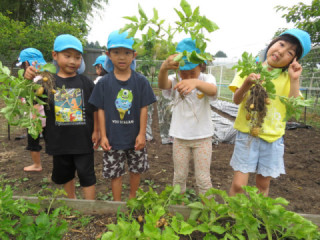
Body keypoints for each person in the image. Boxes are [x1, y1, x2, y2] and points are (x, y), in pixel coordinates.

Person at [228, 29, 312, 196]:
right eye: (281, 44)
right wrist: (247, 83)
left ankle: (257, 217)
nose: (281, 51)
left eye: (289, 52)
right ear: (273, 43)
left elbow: (293, 110)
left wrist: (295, 79)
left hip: (273, 139)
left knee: (263, 184)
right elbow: (237, 100)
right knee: (238, 185)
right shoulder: (250, 68)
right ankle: (233, 216)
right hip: (247, 135)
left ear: (293, 60)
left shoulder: (289, 77)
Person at [24, 34, 100, 200]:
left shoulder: (86, 83)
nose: (73, 61)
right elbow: (29, 98)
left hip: (83, 141)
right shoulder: (46, 82)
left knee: (87, 176)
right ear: (54, 55)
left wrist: (96, 130)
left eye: (77, 57)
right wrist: (28, 79)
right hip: (59, 141)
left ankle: (90, 208)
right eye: (67, 56)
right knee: (66, 175)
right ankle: (71, 202)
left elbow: (95, 108)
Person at [89, 30, 156, 201]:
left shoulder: (140, 81)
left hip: (135, 138)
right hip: (112, 138)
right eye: (116, 52)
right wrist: (103, 136)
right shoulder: (103, 83)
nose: (122, 57)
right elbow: (101, 110)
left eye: (127, 52)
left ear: (134, 55)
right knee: (115, 174)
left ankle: (132, 199)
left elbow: (143, 109)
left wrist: (142, 134)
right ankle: (117, 204)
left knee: (136, 170)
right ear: (108, 55)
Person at [158, 38, 217, 196]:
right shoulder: (175, 79)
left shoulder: (206, 79)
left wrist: (196, 83)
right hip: (180, 138)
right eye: (184, 72)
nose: (188, 76)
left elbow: (212, 91)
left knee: (203, 179)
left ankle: (208, 210)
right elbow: (163, 85)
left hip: (203, 138)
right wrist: (164, 68)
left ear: (201, 66)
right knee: (179, 177)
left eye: (193, 72)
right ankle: (178, 208)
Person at [16, 48, 47, 172]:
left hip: (36, 119)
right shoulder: (43, 78)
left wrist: (33, 121)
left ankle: (37, 164)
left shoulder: (34, 81)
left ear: (27, 64)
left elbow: (35, 102)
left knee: (33, 143)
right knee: (51, 141)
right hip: (45, 118)